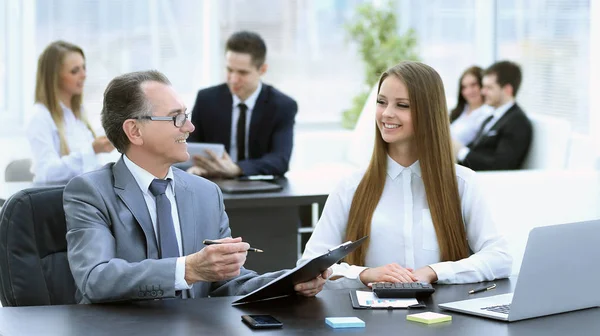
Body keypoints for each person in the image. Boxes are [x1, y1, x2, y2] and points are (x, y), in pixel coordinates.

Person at [64, 70, 328, 304]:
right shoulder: (90, 192)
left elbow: (226, 282)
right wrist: (188, 269)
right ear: (134, 131)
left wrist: (289, 282)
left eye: (186, 116)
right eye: (176, 118)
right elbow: (95, 279)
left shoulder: (206, 193)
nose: (189, 127)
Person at [297, 61, 512, 289]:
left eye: (402, 105)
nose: (387, 113)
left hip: (445, 320)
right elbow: (309, 264)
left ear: (429, 113)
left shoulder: (463, 183)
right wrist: (365, 274)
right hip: (370, 321)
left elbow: (500, 258)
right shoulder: (351, 186)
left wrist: (434, 271)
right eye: (381, 102)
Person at [187, 31, 297, 178]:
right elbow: (189, 147)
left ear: (262, 70)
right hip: (213, 183)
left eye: (242, 73)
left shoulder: (282, 105)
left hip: (260, 188)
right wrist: (195, 166)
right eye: (229, 70)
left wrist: (237, 169)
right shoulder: (206, 99)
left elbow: (280, 160)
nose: (233, 79)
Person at [27, 40, 114, 183]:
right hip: (57, 201)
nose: (84, 75)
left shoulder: (78, 114)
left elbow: (88, 168)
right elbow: (46, 173)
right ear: (55, 77)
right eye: (75, 71)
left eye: (84, 68)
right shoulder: (40, 117)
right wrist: (92, 150)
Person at [455, 61, 533, 170]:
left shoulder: (517, 122)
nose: (483, 92)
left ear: (507, 90)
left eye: (489, 88)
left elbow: (501, 166)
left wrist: (460, 152)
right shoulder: (492, 118)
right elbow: (476, 149)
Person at [449, 66, 492, 145]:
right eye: (464, 87)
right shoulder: (459, 110)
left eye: (473, 85)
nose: (469, 91)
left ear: (483, 84)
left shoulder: (489, 113)